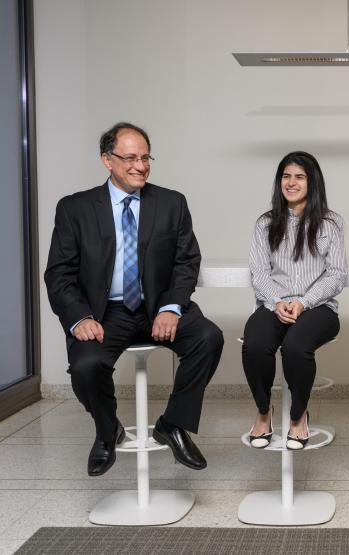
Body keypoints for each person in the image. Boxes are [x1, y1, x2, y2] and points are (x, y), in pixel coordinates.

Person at [44, 122, 224, 476]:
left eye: (145, 157)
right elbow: (59, 273)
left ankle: (173, 424)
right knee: (85, 367)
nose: (140, 166)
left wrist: (171, 308)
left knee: (208, 337)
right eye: (129, 158)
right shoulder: (74, 208)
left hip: (158, 306)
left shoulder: (171, 203)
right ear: (106, 160)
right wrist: (80, 318)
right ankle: (106, 428)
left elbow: (187, 261)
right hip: (104, 312)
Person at [242, 151, 347, 450]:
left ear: (312, 183)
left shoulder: (331, 223)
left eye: (299, 177)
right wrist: (277, 302)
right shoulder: (265, 224)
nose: (291, 182)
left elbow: (336, 275)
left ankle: (299, 416)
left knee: (296, 347)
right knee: (255, 344)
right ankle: (264, 412)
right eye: (286, 176)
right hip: (273, 304)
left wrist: (304, 302)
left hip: (318, 307)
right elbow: (259, 272)